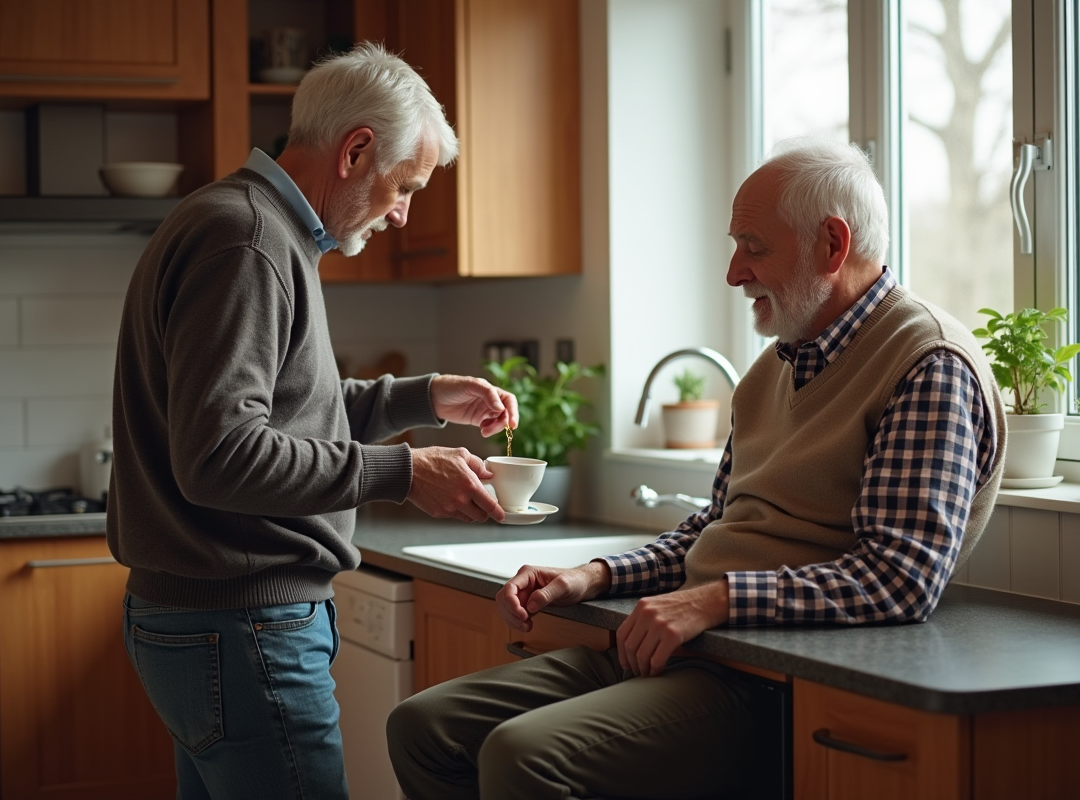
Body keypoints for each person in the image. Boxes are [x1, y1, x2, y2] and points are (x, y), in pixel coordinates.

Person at [386, 138, 1008, 800]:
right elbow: (719, 522)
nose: (734, 273)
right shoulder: (776, 366)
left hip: (767, 677)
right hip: (690, 650)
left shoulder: (927, 365)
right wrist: (589, 576)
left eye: (754, 247)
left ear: (833, 245)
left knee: (524, 757)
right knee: (424, 727)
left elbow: (898, 579)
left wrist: (712, 600)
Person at [109, 44, 517, 800]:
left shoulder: (252, 227)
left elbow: (297, 413)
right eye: (405, 186)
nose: (403, 211)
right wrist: (406, 472)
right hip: (245, 628)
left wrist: (424, 398)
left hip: (217, 625)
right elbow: (223, 455)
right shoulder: (249, 241)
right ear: (356, 150)